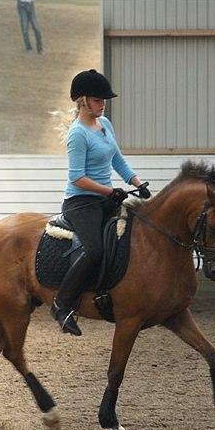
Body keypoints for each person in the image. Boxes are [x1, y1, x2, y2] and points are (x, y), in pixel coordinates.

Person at [52, 69, 151, 336]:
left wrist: (137, 183)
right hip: (81, 202)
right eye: (98, 100)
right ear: (82, 100)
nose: (103, 103)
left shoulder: (105, 125)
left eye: (104, 100)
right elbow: (77, 178)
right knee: (94, 250)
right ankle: (62, 304)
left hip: (106, 198)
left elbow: (117, 159)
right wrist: (109, 192)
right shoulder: (77, 134)